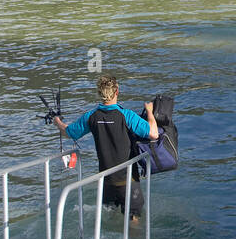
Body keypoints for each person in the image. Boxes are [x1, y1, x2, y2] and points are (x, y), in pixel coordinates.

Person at [54, 77, 158, 221]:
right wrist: (150, 112)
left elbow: (69, 132)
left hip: (106, 180)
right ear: (117, 92)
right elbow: (154, 134)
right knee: (133, 220)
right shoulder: (127, 115)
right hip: (128, 180)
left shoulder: (91, 117)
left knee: (111, 216)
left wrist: (57, 121)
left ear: (99, 93)